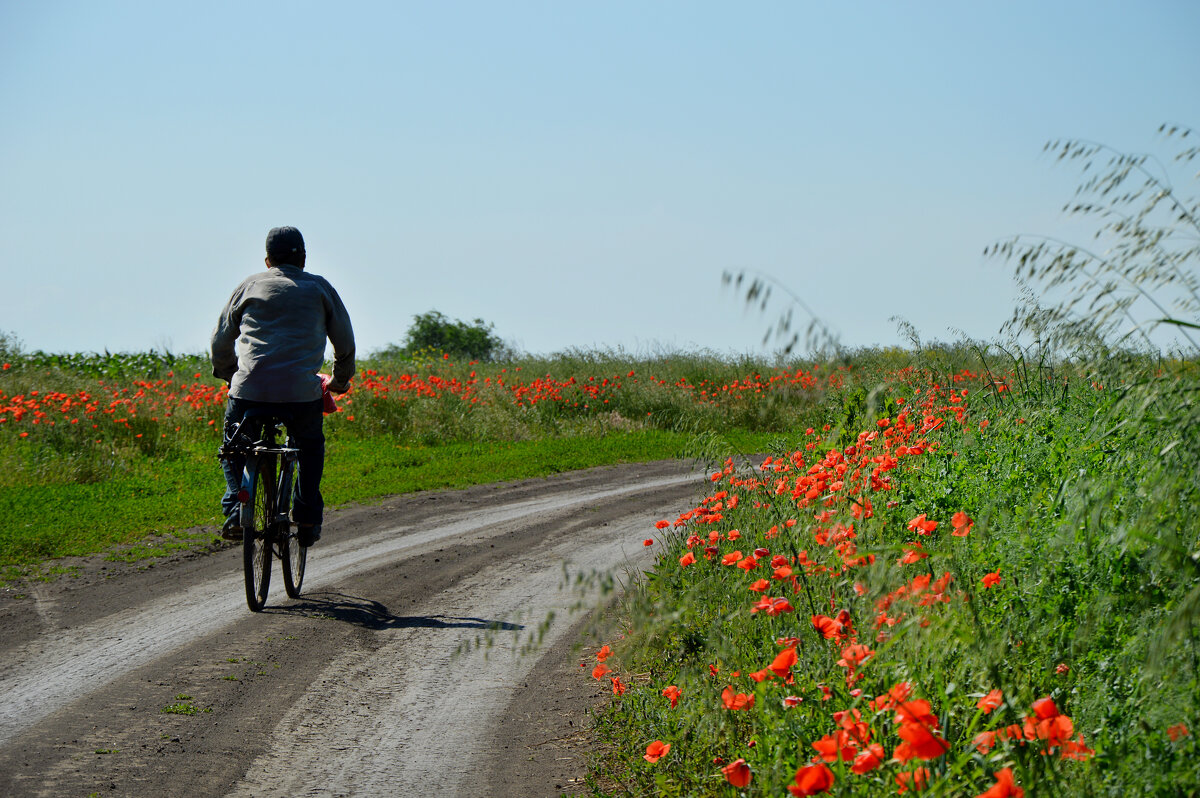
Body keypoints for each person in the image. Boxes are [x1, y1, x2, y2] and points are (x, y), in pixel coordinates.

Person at [211, 226, 355, 546]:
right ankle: (305, 518)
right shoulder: (320, 288)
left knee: (234, 447)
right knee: (309, 448)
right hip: (300, 394)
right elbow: (344, 344)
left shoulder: (248, 286)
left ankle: (237, 507)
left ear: (267, 261)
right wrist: (339, 382)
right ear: (303, 257)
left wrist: (229, 374)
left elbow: (221, 341)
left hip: (249, 390)